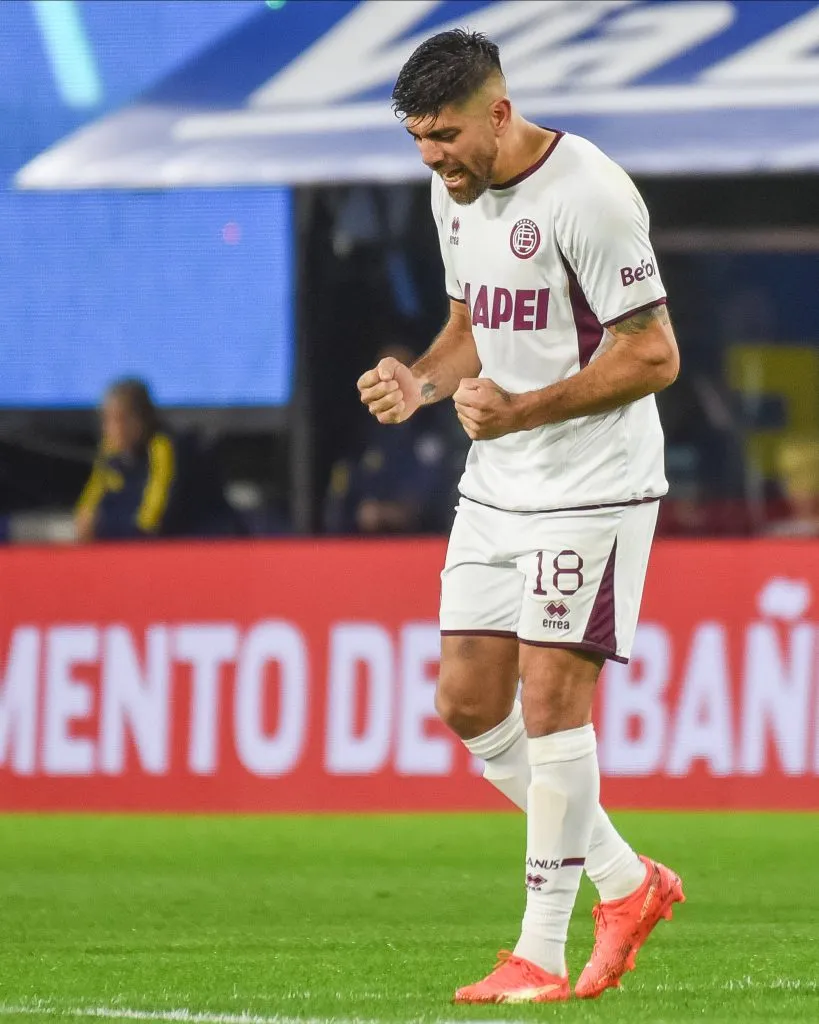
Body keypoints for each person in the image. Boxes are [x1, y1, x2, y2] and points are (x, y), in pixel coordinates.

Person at [357, 30, 683, 1004]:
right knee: (465, 701)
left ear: (499, 111)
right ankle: (628, 883)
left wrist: (521, 410)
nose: (432, 157)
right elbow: (473, 328)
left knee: (551, 703)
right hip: (500, 479)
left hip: (594, 481)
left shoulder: (589, 194)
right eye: (418, 139)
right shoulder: (448, 192)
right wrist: (418, 384)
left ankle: (538, 950)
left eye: (446, 135)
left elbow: (654, 355)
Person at [75, 378, 239, 542]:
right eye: (106, 419)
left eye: (120, 419)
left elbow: (152, 522)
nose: (112, 428)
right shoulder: (110, 450)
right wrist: (87, 521)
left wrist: (102, 527)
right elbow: (88, 509)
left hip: (202, 541)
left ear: (141, 420)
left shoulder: (163, 446)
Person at [325, 343, 457, 535]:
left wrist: (388, 513)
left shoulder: (430, 433)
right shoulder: (367, 434)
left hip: (419, 543)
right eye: (382, 377)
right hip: (361, 543)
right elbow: (342, 496)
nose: (388, 385)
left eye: (397, 376)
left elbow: (433, 499)